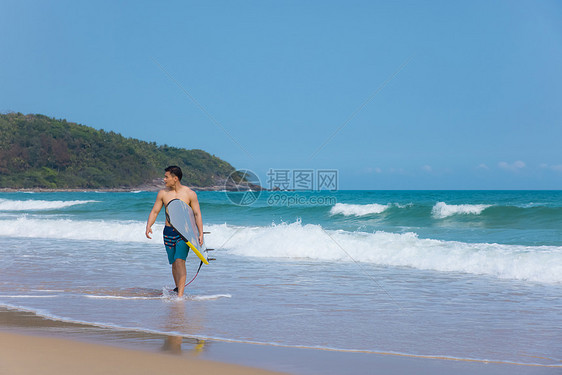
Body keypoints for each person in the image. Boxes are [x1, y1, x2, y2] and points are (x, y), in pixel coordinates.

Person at [145, 166, 204, 297]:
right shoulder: (163, 193)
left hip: (184, 233)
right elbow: (155, 211)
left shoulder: (190, 194)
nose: (164, 179)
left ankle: (180, 296)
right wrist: (149, 225)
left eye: (166, 177)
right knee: (173, 263)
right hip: (168, 232)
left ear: (175, 178)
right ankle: (178, 287)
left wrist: (200, 233)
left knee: (180, 261)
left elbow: (197, 214)